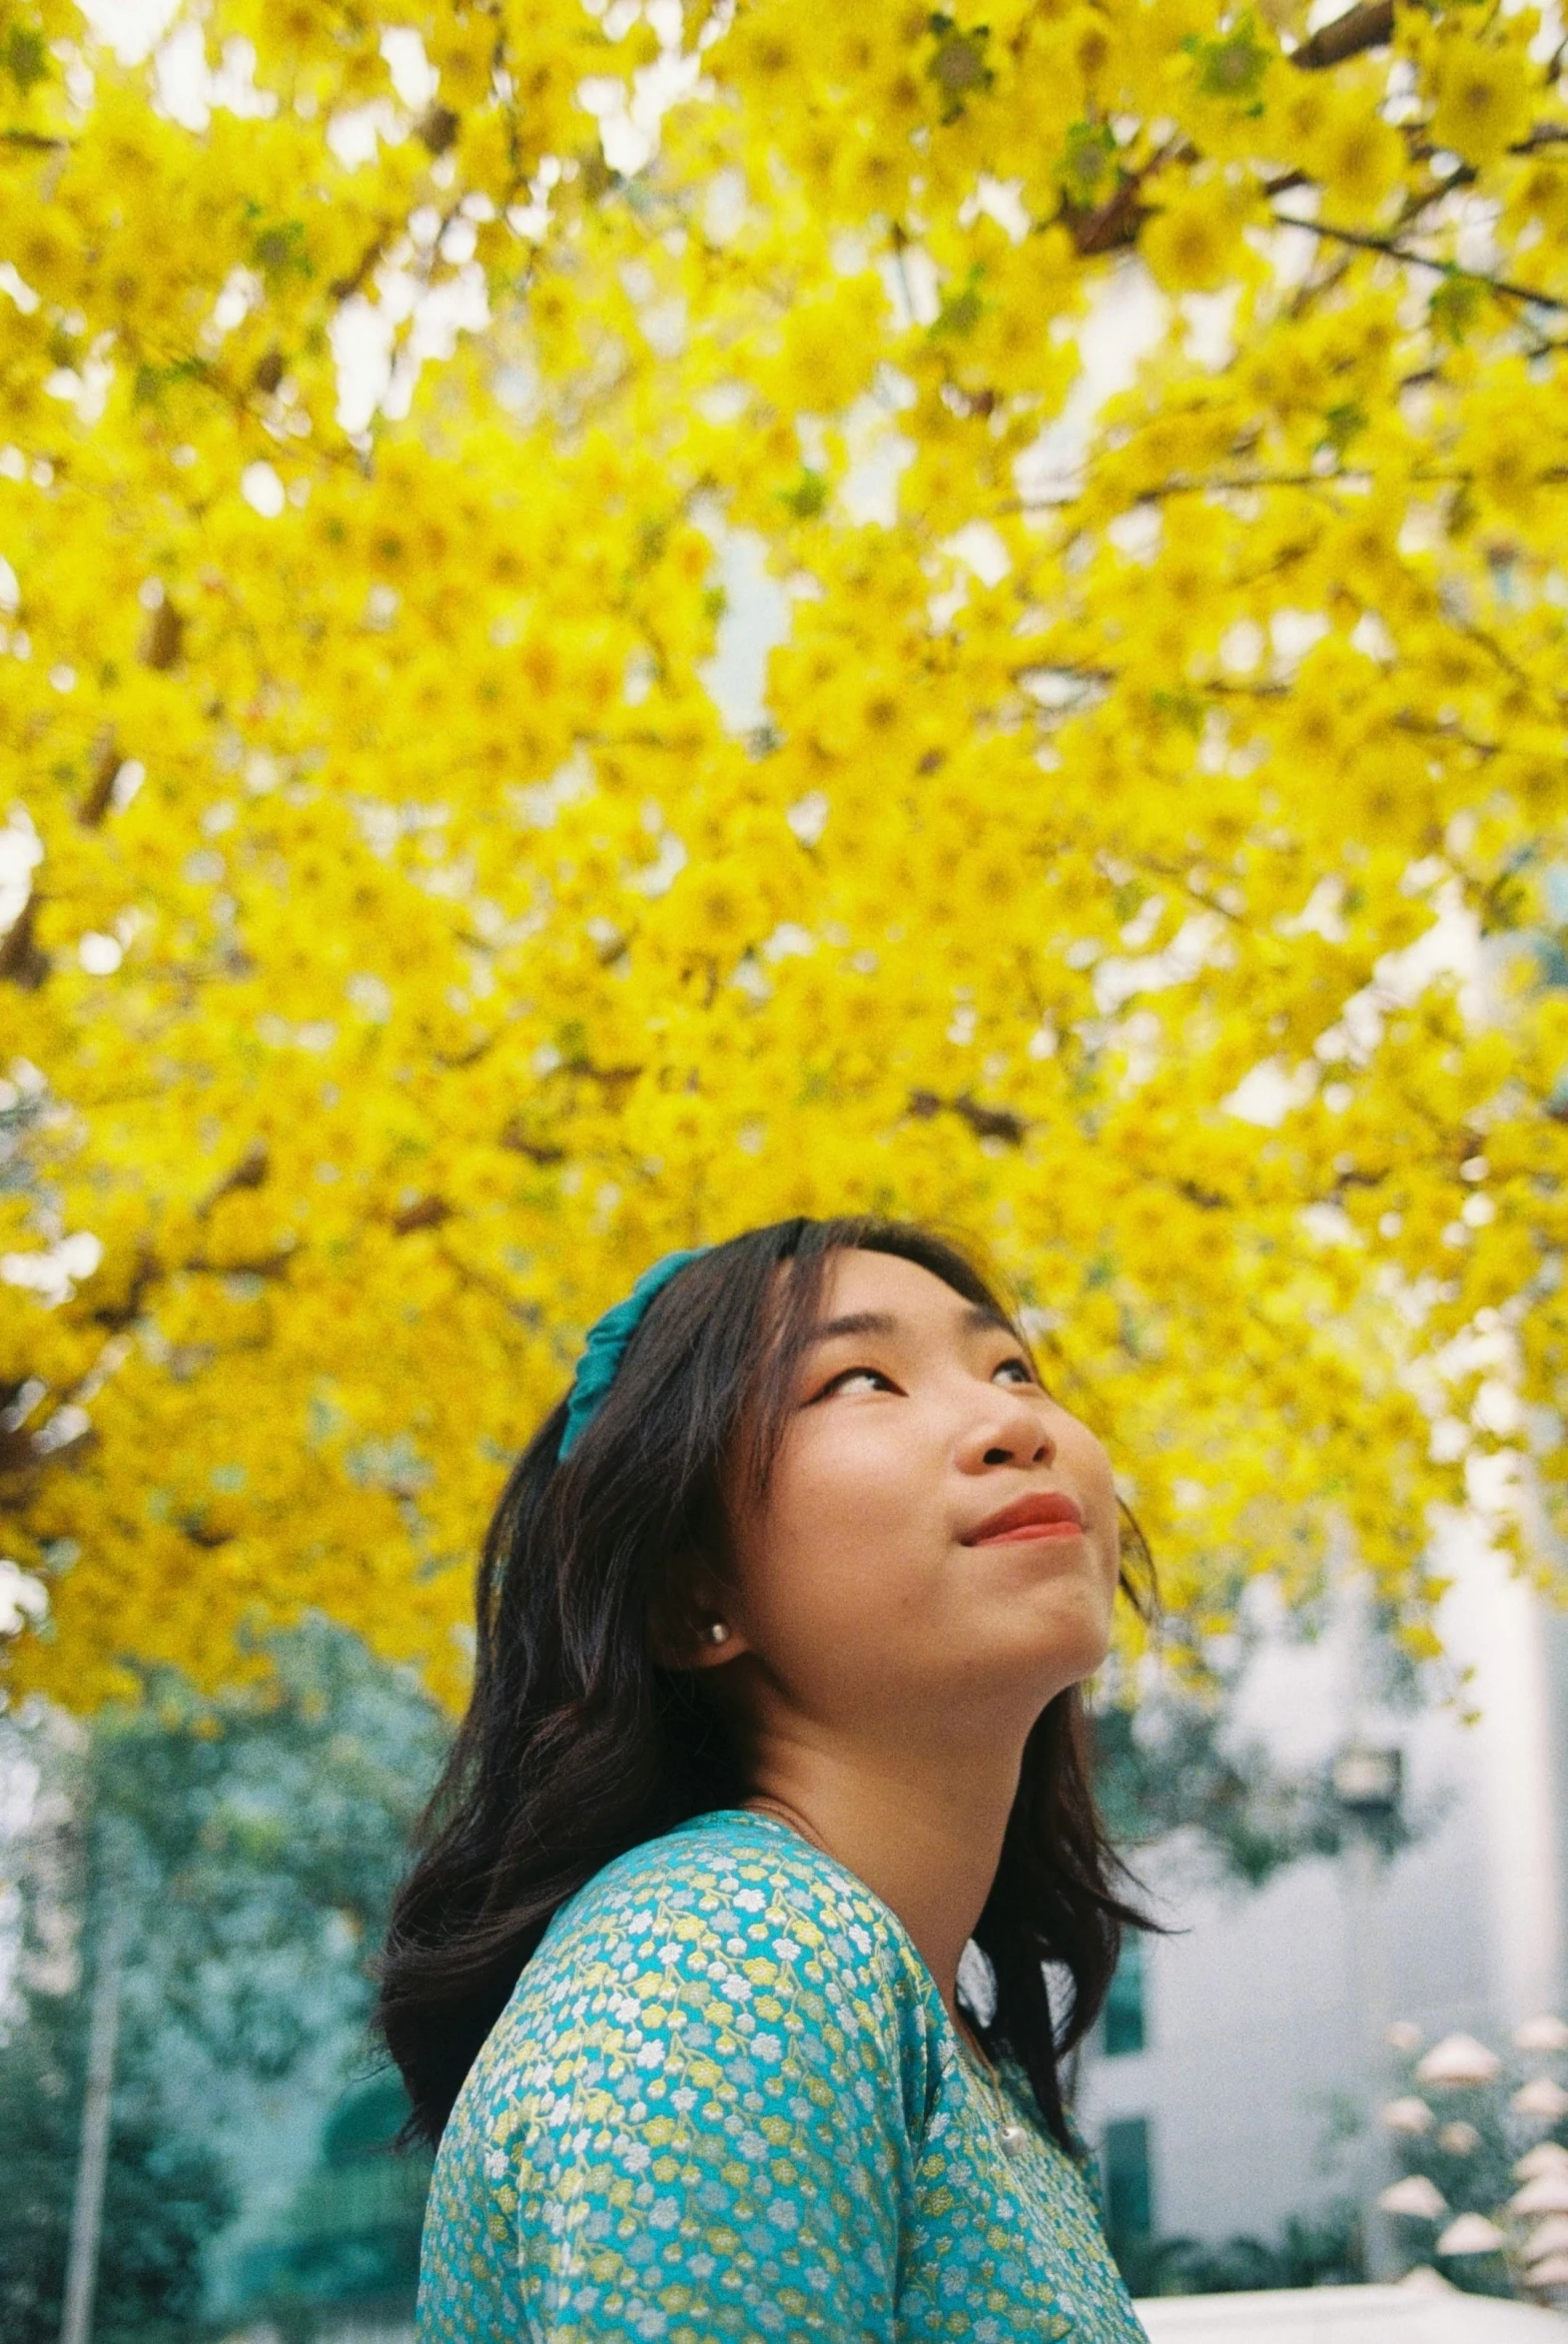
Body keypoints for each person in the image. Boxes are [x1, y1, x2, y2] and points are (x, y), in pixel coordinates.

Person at [381, 1215, 1154, 2342]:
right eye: (860, 1379)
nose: (1010, 1423)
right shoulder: (727, 1953)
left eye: (1014, 1368)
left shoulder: (930, 2034)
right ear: (693, 1596)